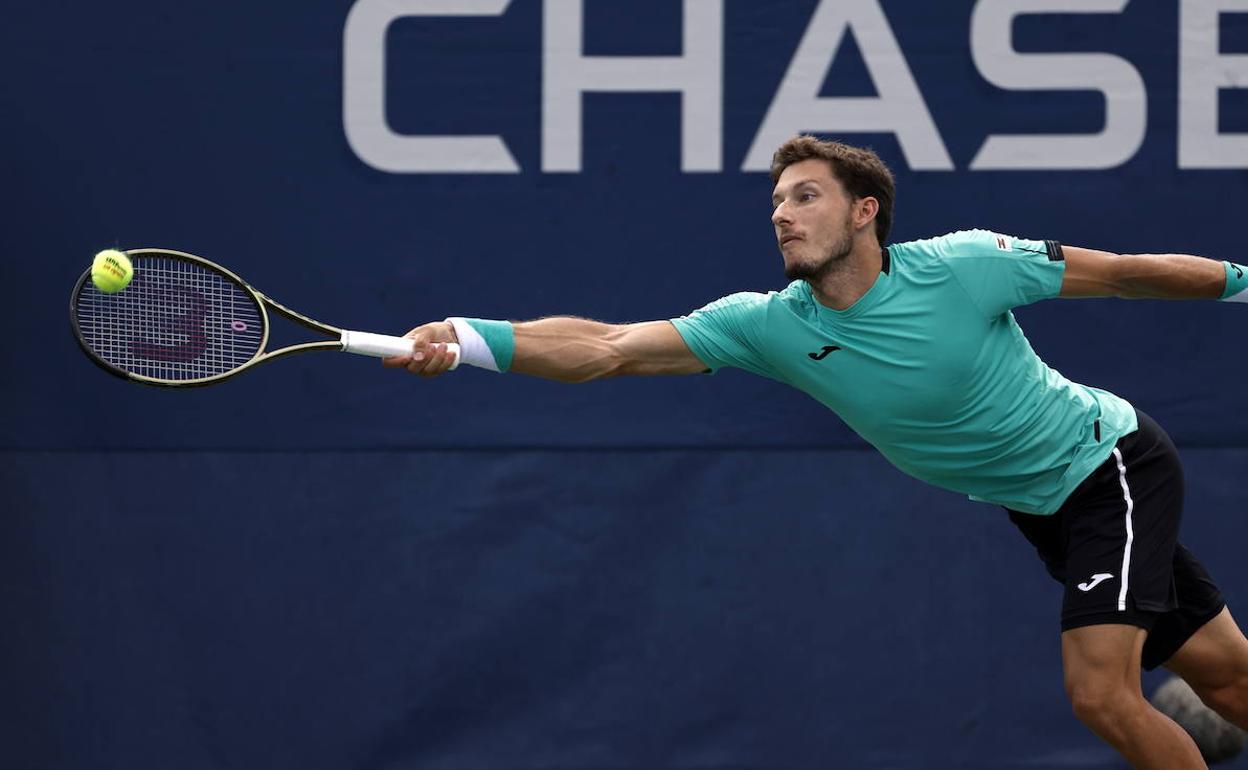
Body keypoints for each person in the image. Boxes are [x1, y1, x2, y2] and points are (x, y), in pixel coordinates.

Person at [382, 135, 1248, 769]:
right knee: (1226, 678)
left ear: (863, 211)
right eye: (776, 204)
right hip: (1041, 507)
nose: (783, 217)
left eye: (804, 197)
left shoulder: (967, 266)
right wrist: (467, 335)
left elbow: (1131, 269)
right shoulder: (767, 326)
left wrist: (1243, 280)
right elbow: (607, 346)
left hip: (1110, 467)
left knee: (1100, 693)